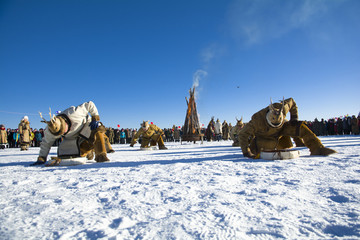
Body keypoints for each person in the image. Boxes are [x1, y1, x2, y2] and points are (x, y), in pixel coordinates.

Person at [238, 97, 336, 158]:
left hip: (282, 129)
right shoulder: (257, 121)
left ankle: (317, 149)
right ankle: (257, 148)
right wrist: (246, 152)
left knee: (299, 127)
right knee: (266, 148)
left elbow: (292, 101)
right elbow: (242, 134)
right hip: (265, 137)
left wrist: (294, 117)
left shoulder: (283, 107)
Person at [31, 101, 114, 166]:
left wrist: (95, 118)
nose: (62, 132)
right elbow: (46, 143)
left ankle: (101, 155)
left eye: (63, 130)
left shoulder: (74, 112)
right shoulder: (51, 131)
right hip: (72, 139)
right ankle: (88, 151)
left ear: (65, 123)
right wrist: (42, 157)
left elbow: (90, 104)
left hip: (86, 126)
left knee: (98, 129)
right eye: (60, 133)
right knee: (73, 155)